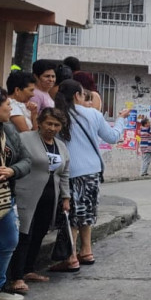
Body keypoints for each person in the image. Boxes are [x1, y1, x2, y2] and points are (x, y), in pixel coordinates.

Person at [50, 80, 127, 271]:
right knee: (86, 213)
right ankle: (85, 251)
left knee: (74, 214)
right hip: (92, 171)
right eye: (85, 95)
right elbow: (113, 137)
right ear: (77, 95)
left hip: (69, 172)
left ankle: (72, 257)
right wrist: (121, 119)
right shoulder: (93, 114)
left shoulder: (58, 115)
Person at [7, 109, 70, 295]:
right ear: (40, 122)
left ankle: (28, 270)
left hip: (50, 196)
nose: (52, 128)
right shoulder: (25, 138)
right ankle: (16, 277)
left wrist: (66, 197)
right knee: (23, 234)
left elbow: (65, 173)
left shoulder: (61, 146)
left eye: (56, 125)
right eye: (48, 123)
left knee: (39, 232)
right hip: (26, 193)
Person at [0, 89, 32, 300]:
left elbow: (26, 160)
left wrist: (13, 171)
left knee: (10, 240)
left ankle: (0, 285)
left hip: (4, 197)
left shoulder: (9, 131)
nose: (10, 108)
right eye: (7, 105)